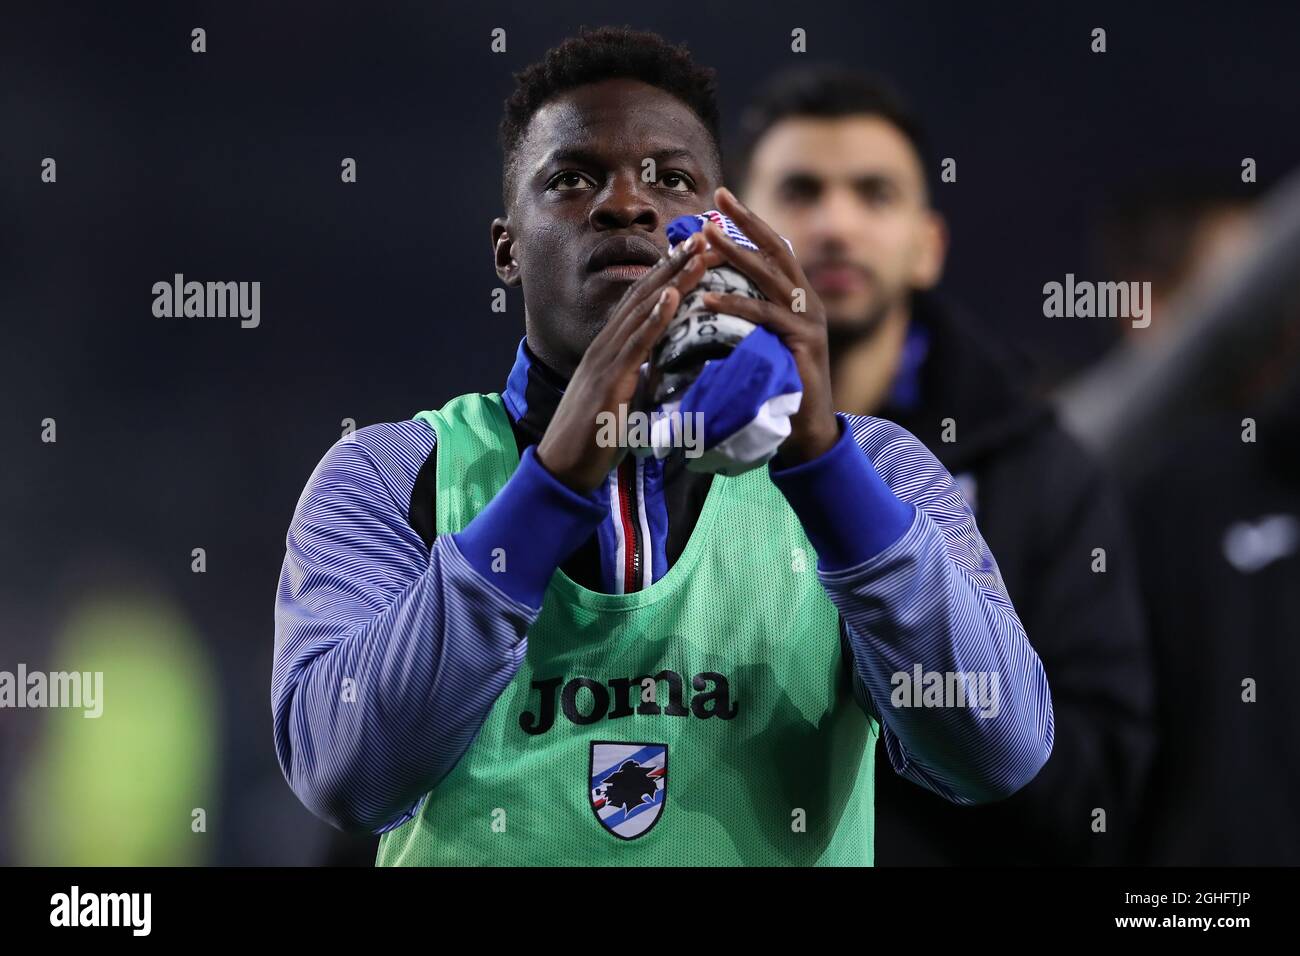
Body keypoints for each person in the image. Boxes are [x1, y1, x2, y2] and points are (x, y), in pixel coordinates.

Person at [272, 28, 1052, 866]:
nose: (625, 203)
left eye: (670, 180)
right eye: (572, 179)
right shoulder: (391, 475)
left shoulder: (879, 471)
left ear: (727, 233)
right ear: (507, 249)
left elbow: (998, 753)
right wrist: (553, 484)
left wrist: (824, 468)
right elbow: (342, 776)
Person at [736, 66, 1151, 864]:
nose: (834, 225)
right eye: (799, 191)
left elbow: (1095, 791)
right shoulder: (666, 451)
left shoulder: (1040, 470)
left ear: (928, 247)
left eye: (874, 194)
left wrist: (916, 718)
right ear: (736, 231)